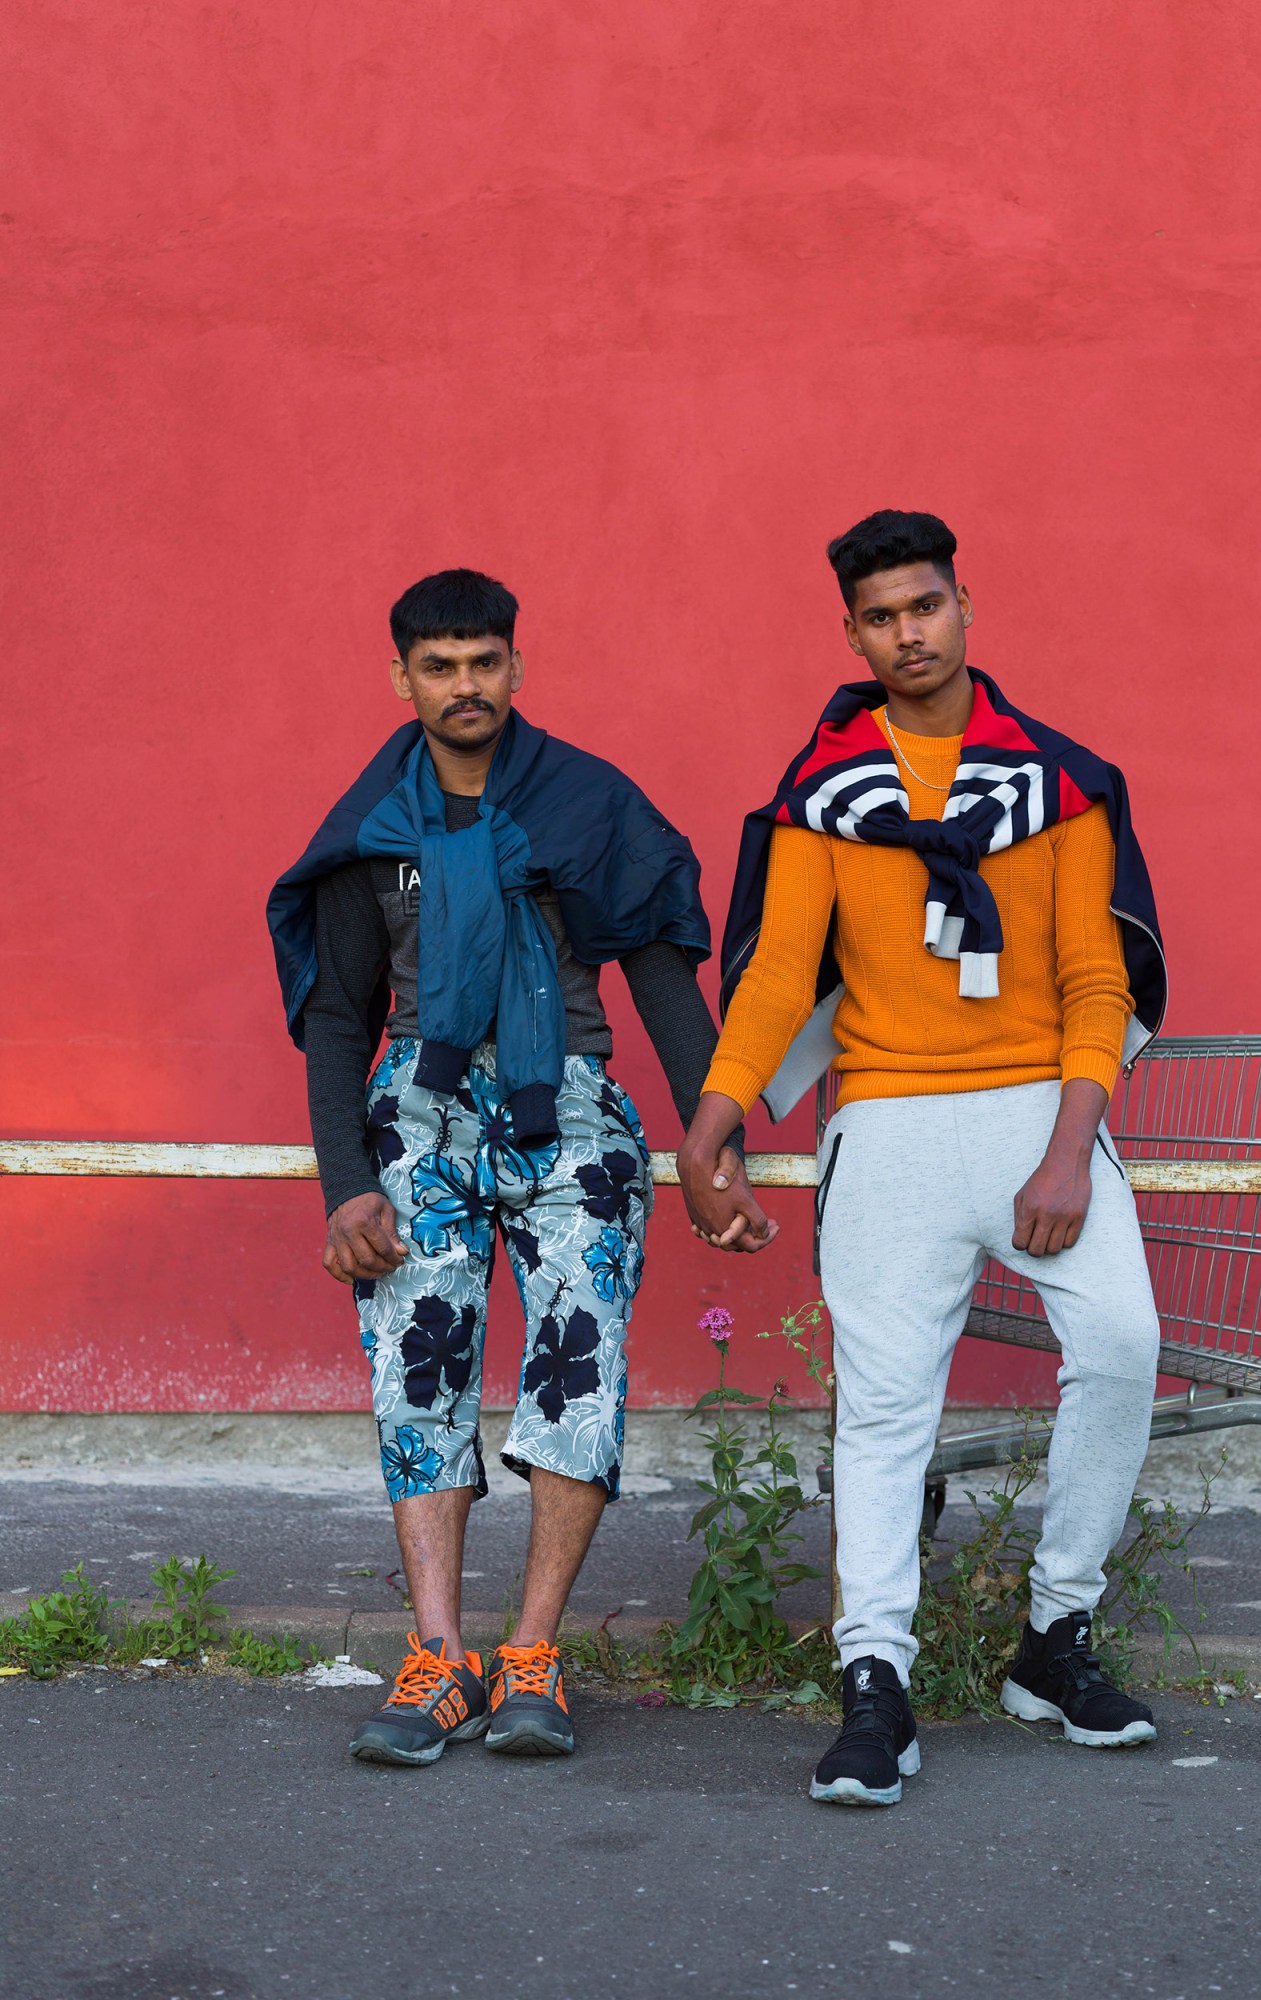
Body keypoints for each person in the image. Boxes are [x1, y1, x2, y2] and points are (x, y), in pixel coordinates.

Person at [677, 511, 1169, 1806]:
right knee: (889, 1410)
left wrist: (1070, 1151)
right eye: (883, 615)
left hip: (1035, 1113)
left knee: (1122, 1342)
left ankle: (1053, 1638)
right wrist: (717, 1116)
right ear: (853, 632)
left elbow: (1090, 976)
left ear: (965, 608)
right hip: (885, 1120)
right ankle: (874, 1683)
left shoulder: (1059, 783)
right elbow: (783, 970)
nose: (909, 631)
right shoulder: (823, 796)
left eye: (928, 605)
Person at [268, 568, 761, 1767]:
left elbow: (661, 986)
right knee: (417, 1371)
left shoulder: (587, 804)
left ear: (516, 667)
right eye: (438, 666)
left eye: (484, 660)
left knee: (576, 1367)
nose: (464, 684)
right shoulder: (371, 824)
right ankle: (438, 1656)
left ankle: (531, 1652)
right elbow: (339, 1016)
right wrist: (347, 1184)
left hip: (573, 1110)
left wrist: (716, 1145)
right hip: (416, 1115)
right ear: (402, 678)